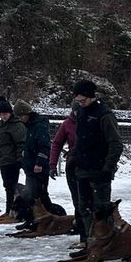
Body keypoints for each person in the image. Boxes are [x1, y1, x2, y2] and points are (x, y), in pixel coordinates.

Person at [71, 79, 124, 249]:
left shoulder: (105, 115)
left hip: (99, 171)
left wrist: (107, 168)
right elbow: (80, 139)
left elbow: (116, 144)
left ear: (91, 96)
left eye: (83, 100)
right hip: (82, 169)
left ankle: (107, 243)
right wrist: (74, 156)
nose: (80, 104)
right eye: (77, 101)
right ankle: (88, 241)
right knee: (83, 208)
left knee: (101, 210)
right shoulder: (80, 112)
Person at [49, 102, 85, 244]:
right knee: (78, 203)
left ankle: (95, 235)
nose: (78, 113)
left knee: (90, 203)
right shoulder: (67, 124)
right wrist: (52, 164)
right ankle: (84, 237)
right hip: (73, 167)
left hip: (91, 166)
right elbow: (57, 144)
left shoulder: (92, 121)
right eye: (76, 111)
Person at [14, 99, 54, 212]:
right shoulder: (30, 126)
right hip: (31, 167)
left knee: (40, 195)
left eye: (21, 116)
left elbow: (44, 146)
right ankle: (34, 218)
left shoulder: (39, 126)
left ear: (27, 114)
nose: (20, 119)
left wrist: (39, 163)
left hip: (38, 168)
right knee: (32, 194)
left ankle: (49, 216)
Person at [0, 99, 26, 221]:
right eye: (1, 114)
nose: (3, 116)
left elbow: (21, 143)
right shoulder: (1, 126)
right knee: (8, 186)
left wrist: (19, 158)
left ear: (10, 113)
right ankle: (9, 210)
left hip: (12, 161)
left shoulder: (16, 125)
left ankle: (11, 210)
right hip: (4, 160)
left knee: (11, 186)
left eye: (5, 113)